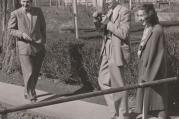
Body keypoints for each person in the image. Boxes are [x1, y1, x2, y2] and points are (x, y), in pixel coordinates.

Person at [93, 0, 131, 119]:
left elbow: (124, 33)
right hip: (106, 49)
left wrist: (108, 23)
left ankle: (123, 115)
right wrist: (96, 21)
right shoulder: (108, 11)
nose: (107, 1)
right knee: (102, 80)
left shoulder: (124, 11)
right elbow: (101, 31)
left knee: (119, 84)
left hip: (117, 50)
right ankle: (114, 112)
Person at [8, 0, 46, 102]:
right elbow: (10, 29)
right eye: (23, 1)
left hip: (38, 46)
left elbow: (43, 27)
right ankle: (31, 95)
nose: (25, 4)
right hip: (24, 47)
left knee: (35, 72)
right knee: (29, 71)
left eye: (27, 1)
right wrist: (22, 34)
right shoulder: (15, 13)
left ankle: (27, 90)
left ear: (31, 2)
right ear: (20, 1)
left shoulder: (38, 11)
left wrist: (43, 41)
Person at [135, 4, 168, 119]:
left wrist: (147, 75)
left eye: (142, 15)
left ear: (150, 15)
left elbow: (156, 55)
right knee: (150, 101)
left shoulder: (156, 30)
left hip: (153, 71)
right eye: (138, 15)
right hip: (146, 68)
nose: (139, 18)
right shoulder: (148, 28)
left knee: (157, 103)